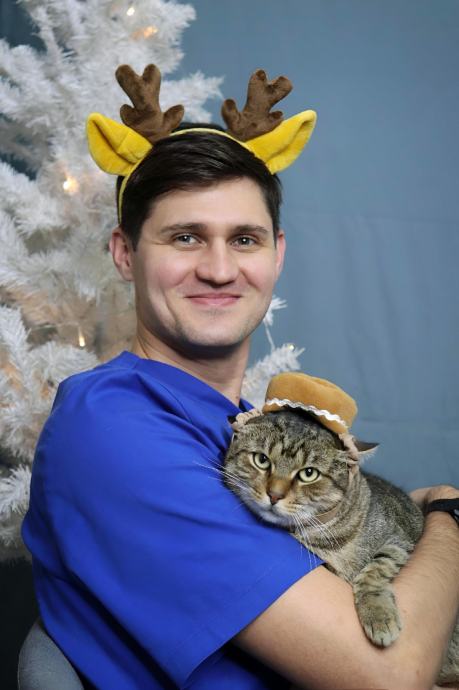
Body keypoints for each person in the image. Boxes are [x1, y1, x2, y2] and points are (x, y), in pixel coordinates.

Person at [22, 66, 459, 690]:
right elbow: (389, 676)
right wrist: (448, 513)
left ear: (277, 255)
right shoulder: (114, 428)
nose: (220, 269)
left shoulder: (244, 425)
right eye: (185, 237)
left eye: (245, 239)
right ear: (124, 253)